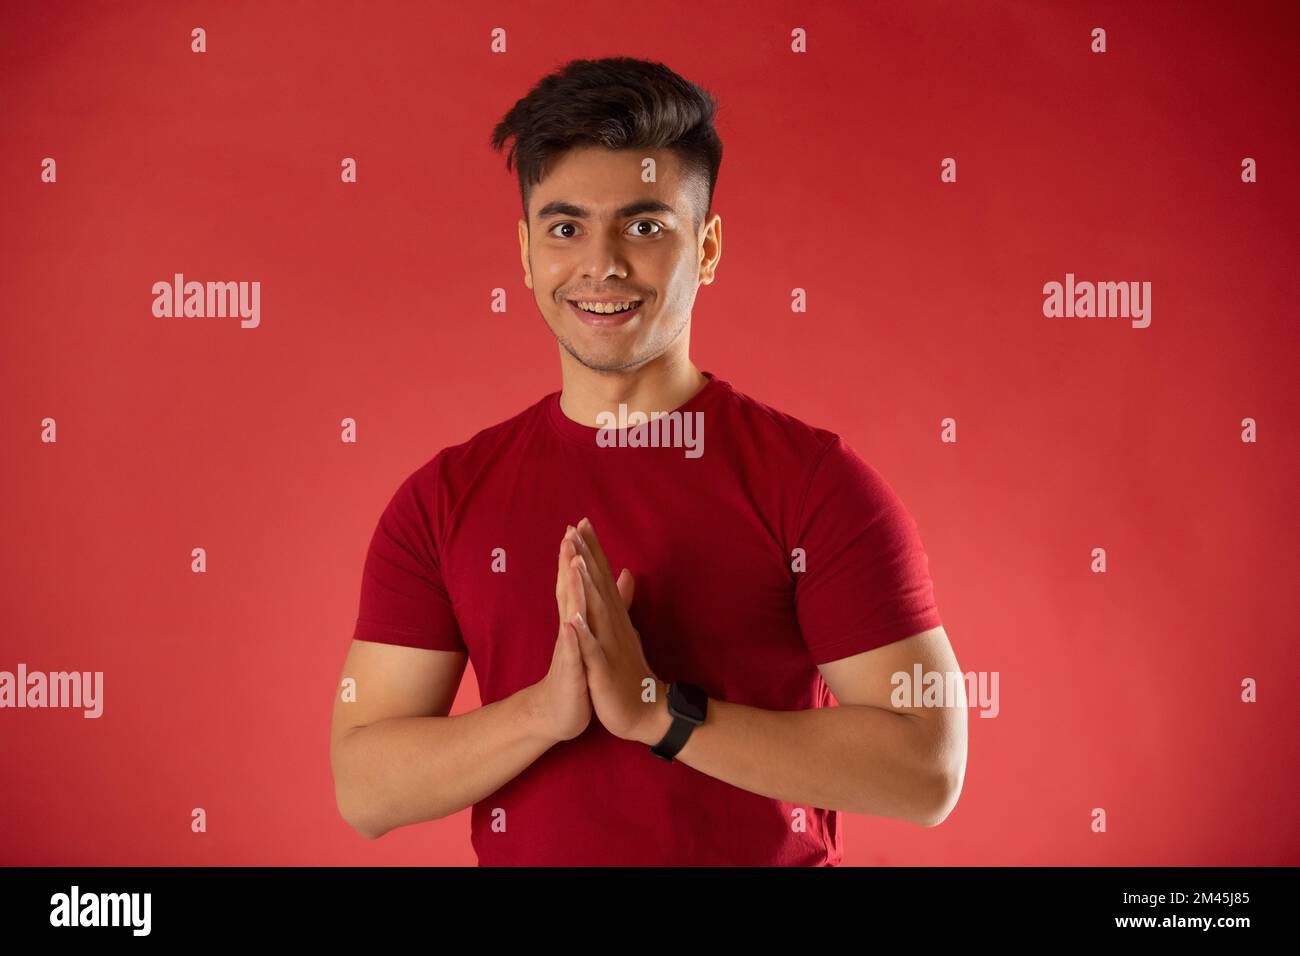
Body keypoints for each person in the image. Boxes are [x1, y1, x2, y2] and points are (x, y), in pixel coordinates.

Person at [329, 56, 967, 866]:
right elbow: (364, 786)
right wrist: (540, 714)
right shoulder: (442, 500)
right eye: (566, 228)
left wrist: (659, 712)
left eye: (644, 225)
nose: (602, 264)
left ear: (706, 248)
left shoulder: (814, 485)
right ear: (526, 253)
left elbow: (928, 769)